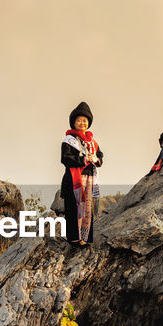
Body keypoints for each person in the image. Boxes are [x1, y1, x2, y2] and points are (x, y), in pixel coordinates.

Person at [61, 101, 103, 246]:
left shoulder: (93, 142)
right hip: (75, 180)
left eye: (84, 120)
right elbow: (65, 158)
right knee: (74, 208)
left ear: (88, 123)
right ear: (73, 122)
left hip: (90, 179)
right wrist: (84, 159)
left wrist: (95, 159)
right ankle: (74, 239)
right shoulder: (69, 140)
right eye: (79, 120)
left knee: (87, 208)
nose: (82, 123)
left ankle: (86, 238)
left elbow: (100, 157)